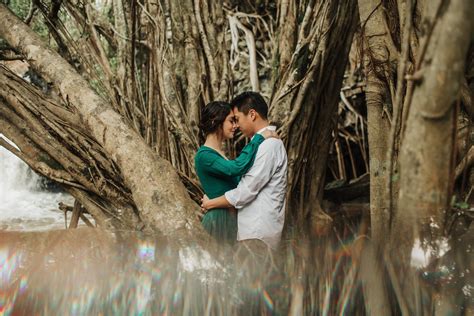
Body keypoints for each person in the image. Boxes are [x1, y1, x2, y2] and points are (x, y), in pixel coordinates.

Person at [201, 92, 288, 250]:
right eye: (232, 121)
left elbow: (246, 191)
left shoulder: (268, 145)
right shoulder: (265, 143)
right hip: (253, 233)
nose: (237, 126)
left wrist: (210, 203)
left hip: (257, 234)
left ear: (252, 114)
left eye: (238, 119)